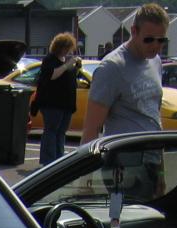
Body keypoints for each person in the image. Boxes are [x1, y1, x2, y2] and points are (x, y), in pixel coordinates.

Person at [81, 3, 168, 143]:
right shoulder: (112, 67)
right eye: (149, 39)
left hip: (153, 151)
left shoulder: (155, 61)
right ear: (134, 31)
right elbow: (91, 129)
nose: (155, 45)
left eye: (161, 40)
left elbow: (153, 115)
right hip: (124, 155)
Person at [32, 33, 81, 166]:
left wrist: (75, 68)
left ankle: (59, 161)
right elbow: (52, 75)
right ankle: (49, 161)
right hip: (52, 103)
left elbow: (69, 77)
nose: (68, 51)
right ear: (60, 47)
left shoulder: (66, 60)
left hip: (66, 104)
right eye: (67, 47)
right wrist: (67, 65)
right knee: (51, 131)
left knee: (61, 132)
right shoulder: (50, 60)